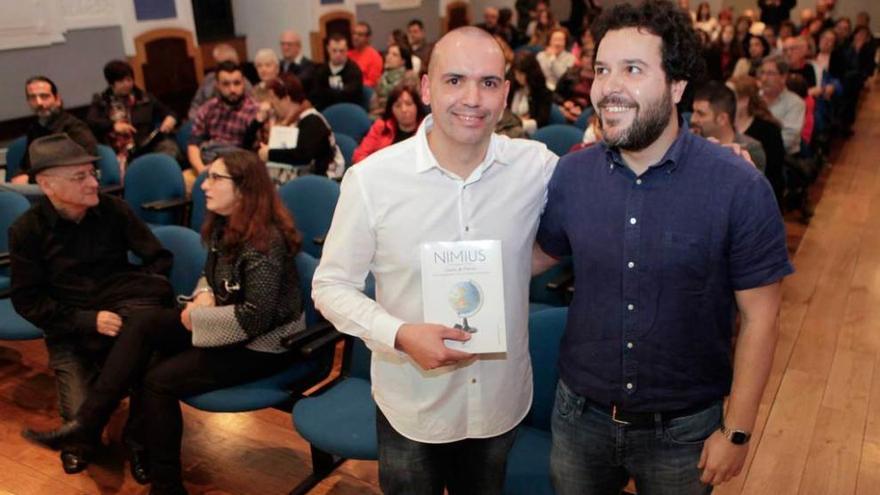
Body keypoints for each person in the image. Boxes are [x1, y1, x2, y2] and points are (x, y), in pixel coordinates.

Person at [535, 1, 793, 493]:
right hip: (578, 417)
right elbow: (538, 255)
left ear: (676, 87)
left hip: (684, 431)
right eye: (602, 69)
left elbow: (762, 317)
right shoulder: (572, 175)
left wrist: (736, 430)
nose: (609, 86)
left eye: (632, 69)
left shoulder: (737, 187)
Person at [312, 26, 557, 495]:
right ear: (426, 88)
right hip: (413, 405)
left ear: (506, 95)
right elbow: (330, 286)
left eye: (488, 83)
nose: (472, 98)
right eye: (454, 80)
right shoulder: (372, 180)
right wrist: (400, 334)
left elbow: (606, 193)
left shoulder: (536, 168)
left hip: (498, 401)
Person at [22, 149, 306, 495]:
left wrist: (199, 318)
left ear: (245, 189)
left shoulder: (265, 243)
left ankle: (166, 486)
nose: (204, 184)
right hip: (224, 322)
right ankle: (89, 420)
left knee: (158, 381)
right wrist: (203, 292)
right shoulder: (224, 225)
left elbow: (257, 318)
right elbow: (211, 274)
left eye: (216, 178)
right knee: (143, 326)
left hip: (263, 344)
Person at [11, 133, 173, 481]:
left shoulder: (114, 210)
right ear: (47, 185)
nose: (93, 182)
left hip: (123, 321)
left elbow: (159, 259)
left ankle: (138, 443)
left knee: (153, 373)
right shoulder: (26, 231)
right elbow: (28, 301)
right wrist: (88, 319)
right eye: (80, 176)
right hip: (70, 329)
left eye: (91, 173)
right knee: (79, 430)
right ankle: (81, 437)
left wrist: (129, 301)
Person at [251, 74, 344, 180]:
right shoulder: (282, 120)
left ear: (286, 98)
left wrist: (269, 153)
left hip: (320, 179)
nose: (271, 104)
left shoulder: (312, 120)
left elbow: (303, 155)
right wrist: (258, 120)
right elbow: (247, 143)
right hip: (292, 176)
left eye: (273, 98)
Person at [86, 60, 178, 165]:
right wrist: (113, 126)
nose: (127, 84)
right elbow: (91, 121)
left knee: (169, 147)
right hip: (118, 150)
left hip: (146, 145)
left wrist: (170, 118)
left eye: (129, 80)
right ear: (111, 83)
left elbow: (169, 112)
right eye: (121, 81)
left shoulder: (145, 98)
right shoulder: (101, 101)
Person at [9, 76, 98, 184]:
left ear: (57, 100)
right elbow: (26, 164)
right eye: (32, 97)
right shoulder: (35, 128)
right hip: (41, 186)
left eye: (44, 96)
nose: (39, 103)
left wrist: (30, 178)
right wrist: (17, 176)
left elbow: (83, 165)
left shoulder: (75, 128)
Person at [187, 62, 259, 177]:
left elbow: (258, 152)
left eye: (237, 83)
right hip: (208, 163)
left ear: (243, 84)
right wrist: (201, 170)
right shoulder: (207, 109)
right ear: (217, 85)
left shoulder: (255, 111)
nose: (232, 89)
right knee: (183, 182)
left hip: (239, 168)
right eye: (226, 84)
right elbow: (193, 145)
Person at [728, 74, 787, 205]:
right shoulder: (722, 126)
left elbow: (773, 174)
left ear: (744, 101)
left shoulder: (768, 130)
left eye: (729, 98)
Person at [690, 81, 767, 172]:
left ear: (722, 119)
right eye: (693, 112)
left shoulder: (749, 149)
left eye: (700, 114)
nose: (693, 119)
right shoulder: (690, 143)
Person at [354, 83, 427, 163]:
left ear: (417, 106)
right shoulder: (380, 127)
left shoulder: (427, 129)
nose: (404, 109)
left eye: (409, 104)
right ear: (391, 109)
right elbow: (359, 155)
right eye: (397, 106)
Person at [188, 44, 253, 120]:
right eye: (216, 63)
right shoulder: (209, 78)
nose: (217, 67)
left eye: (221, 64)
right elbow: (196, 104)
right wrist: (196, 118)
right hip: (200, 120)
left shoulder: (245, 84)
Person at [760, 54, 806, 156]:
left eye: (770, 74)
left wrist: (757, 148)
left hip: (783, 157)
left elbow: (788, 140)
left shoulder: (795, 103)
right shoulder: (754, 98)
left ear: (783, 77)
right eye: (762, 73)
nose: (763, 79)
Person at [310, 33, 364, 110]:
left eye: (341, 51)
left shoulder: (354, 71)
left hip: (348, 111)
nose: (338, 54)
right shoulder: (321, 70)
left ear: (347, 50)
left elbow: (351, 96)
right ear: (328, 49)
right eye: (334, 51)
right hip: (324, 111)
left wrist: (327, 92)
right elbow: (316, 95)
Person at [508, 51, 554, 135]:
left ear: (530, 73)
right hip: (509, 129)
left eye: (521, 74)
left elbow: (541, 122)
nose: (517, 77)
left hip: (530, 135)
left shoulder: (543, 93)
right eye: (516, 73)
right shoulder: (512, 86)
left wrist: (520, 122)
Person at [372, 42, 418, 115]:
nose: (389, 57)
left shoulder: (409, 76)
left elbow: (407, 101)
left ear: (403, 61)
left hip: (401, 114)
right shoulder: (383, 76)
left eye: (394, 55)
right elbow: (374, 100)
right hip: (379, 114)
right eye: (388, 53)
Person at [349, 22, 384, 88]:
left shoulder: (375, 57)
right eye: (354, 33)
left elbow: (373, 82)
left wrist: (353, 85)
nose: (355, 37)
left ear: (368, 38)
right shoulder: (348, 54)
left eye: (360, 35)